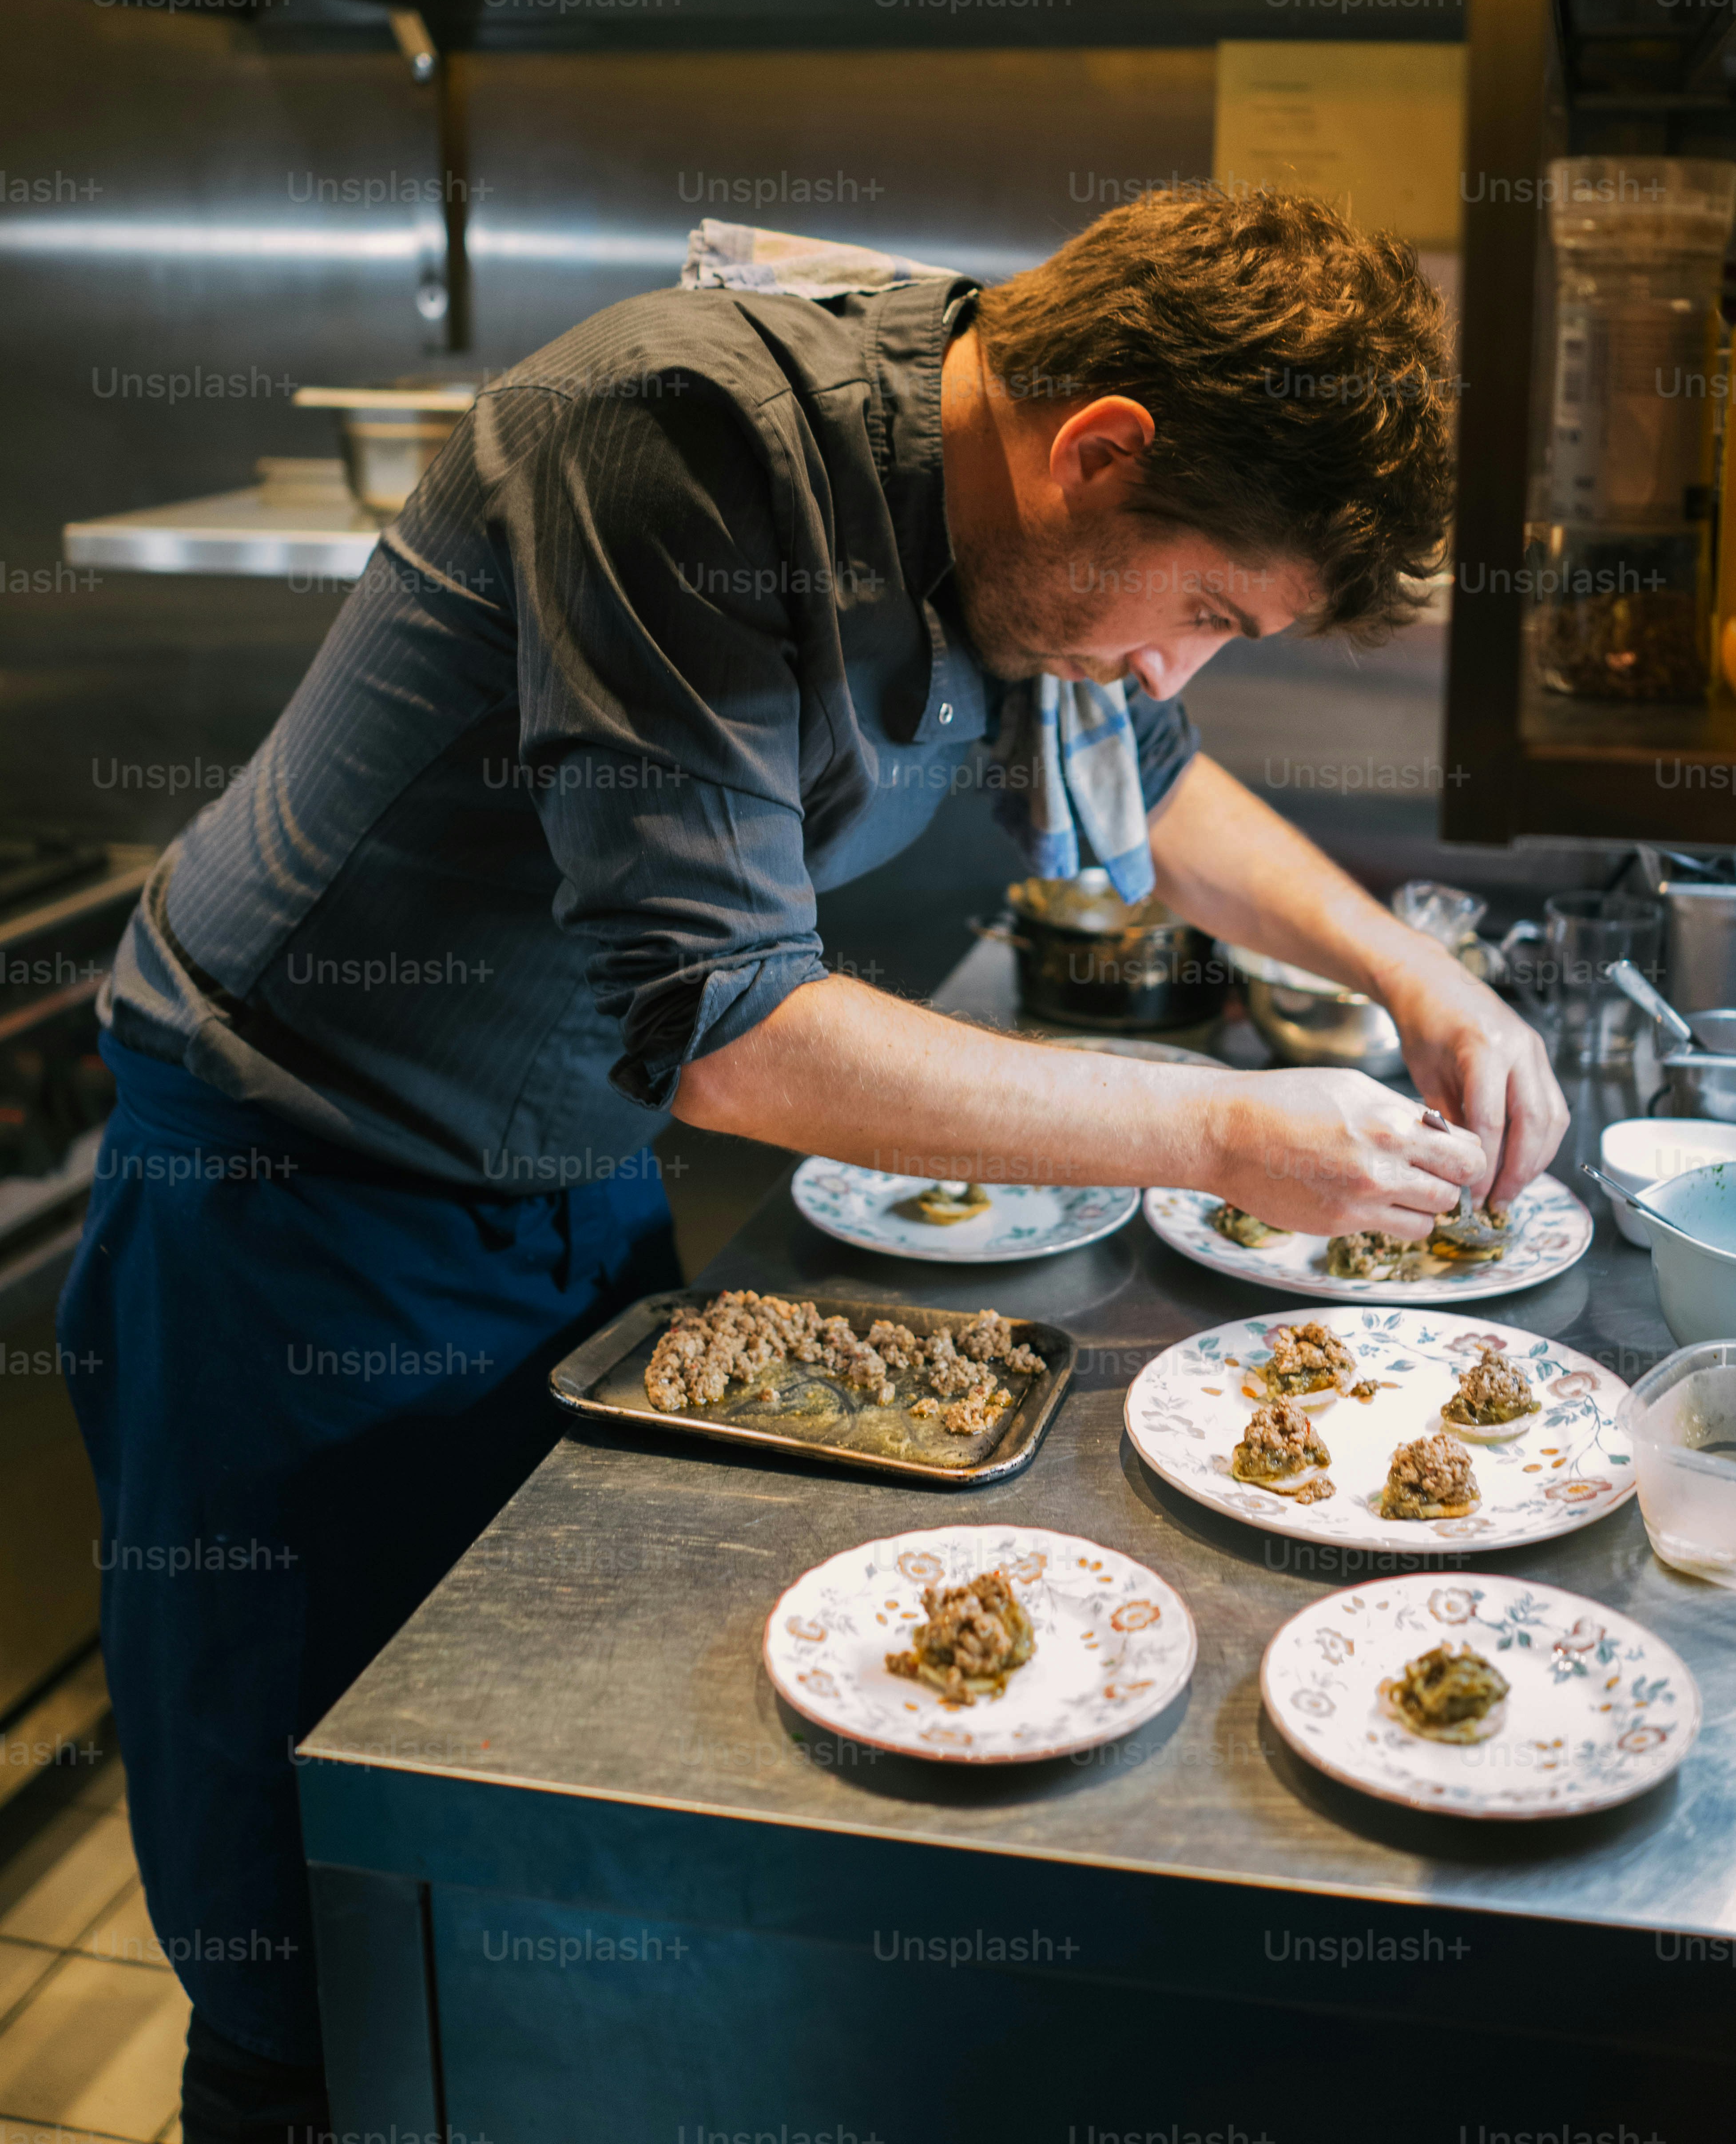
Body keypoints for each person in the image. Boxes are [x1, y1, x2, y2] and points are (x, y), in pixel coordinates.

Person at [60, 189, 1565, 2138]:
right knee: (301, 1908)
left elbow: (1145, 775)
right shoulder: (669, 444)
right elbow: (736, 1029)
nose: (1176, 669)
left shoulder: (1013, 494)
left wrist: (1406, 966)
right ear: (1095, 446)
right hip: (291, 1195)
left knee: (509, 1811)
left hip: (561, 1158)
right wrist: (1222, 1128)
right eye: (1205, 609)